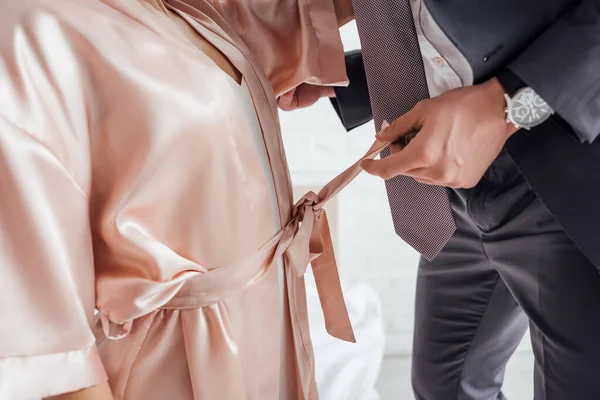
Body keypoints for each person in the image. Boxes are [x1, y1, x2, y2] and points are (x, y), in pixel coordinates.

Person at [0, 0, 357, 399]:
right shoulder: (26, 36)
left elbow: (285, 17)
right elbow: (55, 352)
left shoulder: (179, 8)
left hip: (271, 342)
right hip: (171, 372)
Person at [280, 0, 600, 398]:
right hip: (457, 191)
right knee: (445, 386)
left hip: (574, 177)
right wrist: (349, 76)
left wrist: (505, 110)